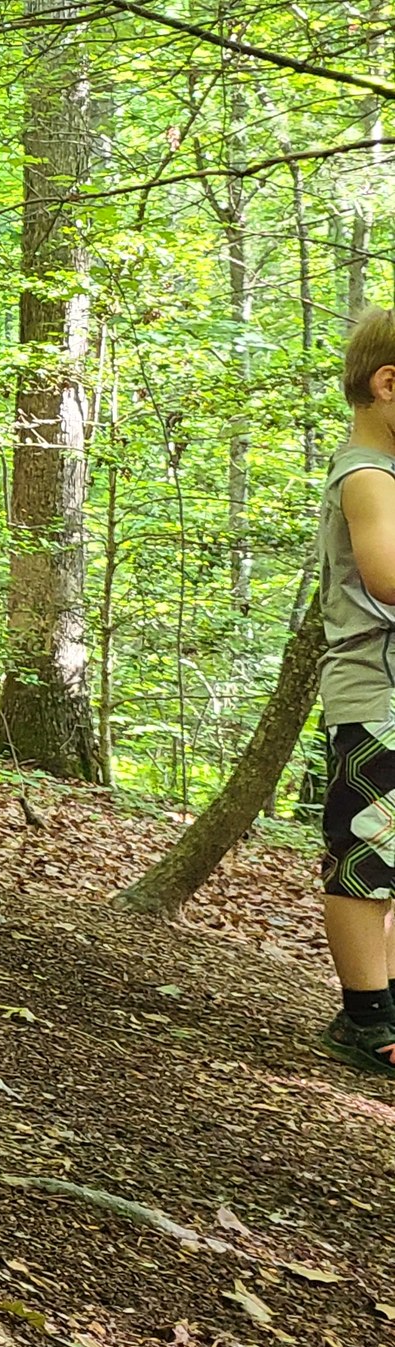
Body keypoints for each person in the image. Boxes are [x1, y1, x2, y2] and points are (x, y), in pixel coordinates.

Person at [315, 306, 395, 1075]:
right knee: (366, 855)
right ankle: (363, 1016)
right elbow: (385, 575)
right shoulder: (367, 475)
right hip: (376, 694)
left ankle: (386, 998)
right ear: (387, 384)